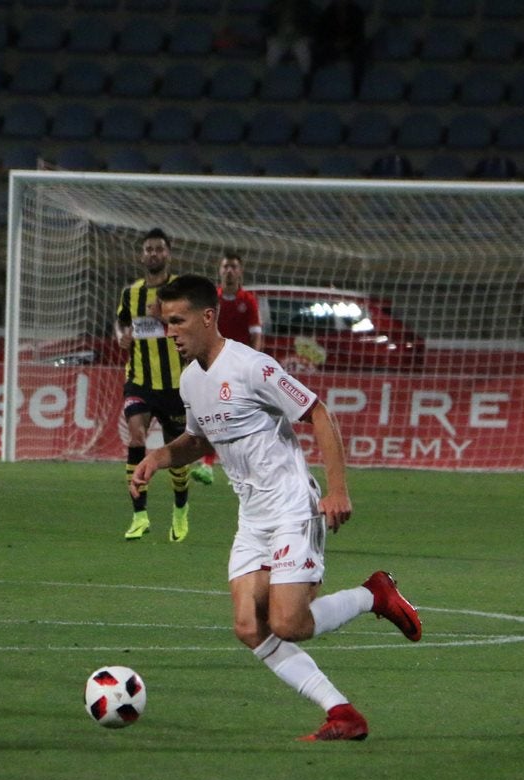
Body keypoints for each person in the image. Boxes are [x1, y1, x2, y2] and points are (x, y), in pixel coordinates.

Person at [131, 274, 422, 742]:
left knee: (288, 624)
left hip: (291, 507)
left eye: (178, 321)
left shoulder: (253, 367)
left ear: (208, 317)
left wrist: (337, 491)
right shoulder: (190, 382)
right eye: (165, 323)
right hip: (252, 518)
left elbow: (318, 412)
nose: (170, 333)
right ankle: (342, 713)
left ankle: (374, 594)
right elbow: (199, 440)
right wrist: (160, 456)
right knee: (249, 627)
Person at [115, 228, 195, 542]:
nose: (153, 254)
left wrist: (161, 319)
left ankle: (180, 510)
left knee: (177, 454)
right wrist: (122, 336)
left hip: (176, 385)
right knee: (136, 438)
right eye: (148, 249)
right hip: (139, 381)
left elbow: (188, 325)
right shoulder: (130, 293)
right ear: (142, 255)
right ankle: (139, 515)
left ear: (168, 253)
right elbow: (123, 322)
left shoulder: (179, 291)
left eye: (159, 249)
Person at [189, 250, 265, 487]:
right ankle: (210, 464)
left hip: (240, 368)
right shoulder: (213, 299)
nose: (229, 271)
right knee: (214, 413)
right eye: (226, 267)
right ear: (220, 271)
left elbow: (256, 335)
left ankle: (225, 465)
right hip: (214, 365)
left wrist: (254, 362)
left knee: (235, 415)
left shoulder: (248, 301)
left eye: (233, 267)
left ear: (240, 271)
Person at [262, 0, 315, 69]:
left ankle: (307, 75)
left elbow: (313, 22)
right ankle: (265, 75)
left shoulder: (305, 5)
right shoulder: (275, 5)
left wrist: (308, 35)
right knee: (273, 52)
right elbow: (263, 22)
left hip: (299, 38)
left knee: (303, 52)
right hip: (279, 37)